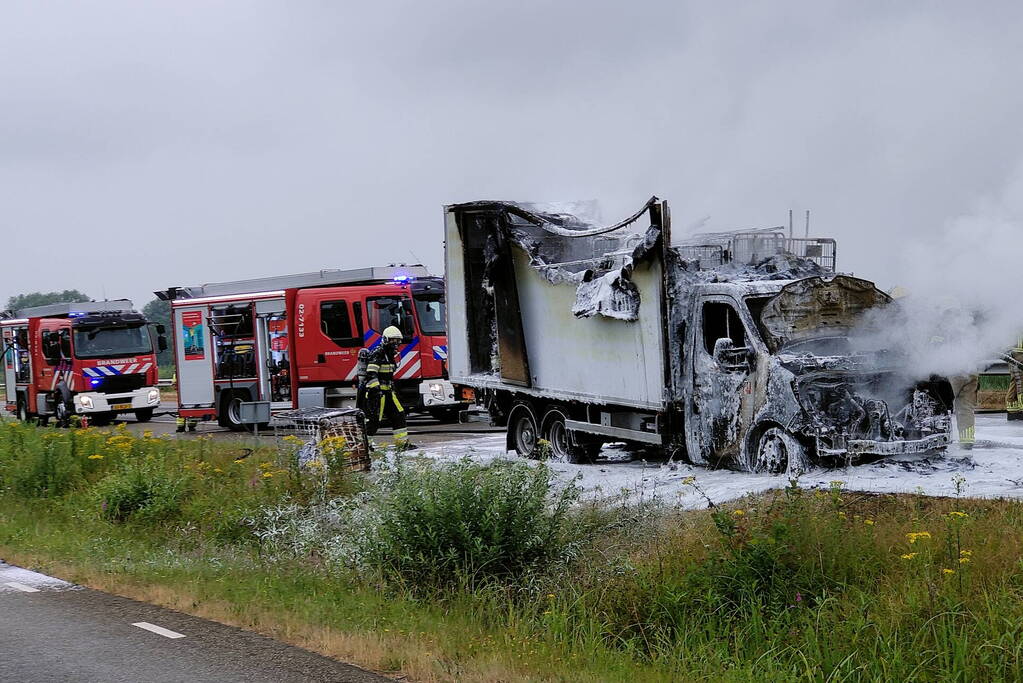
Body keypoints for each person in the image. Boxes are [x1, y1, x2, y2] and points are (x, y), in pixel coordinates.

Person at [363, 326, 412, 449]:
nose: (395, 344)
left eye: (397, 341)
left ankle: (402, 444)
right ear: (385, 340)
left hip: (389, 392)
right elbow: (371, 373)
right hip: (378, 393)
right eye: (392, 340)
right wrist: (375, 390)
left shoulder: (389, 355)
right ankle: (365, 445)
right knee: (374, 420)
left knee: (399, 415)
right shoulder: (378, 353)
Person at [1006, 335, 1023, 420]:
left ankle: (1013, 411)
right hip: (1020, 352)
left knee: (1016, 381)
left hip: (1014, 352)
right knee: (1020, 382)